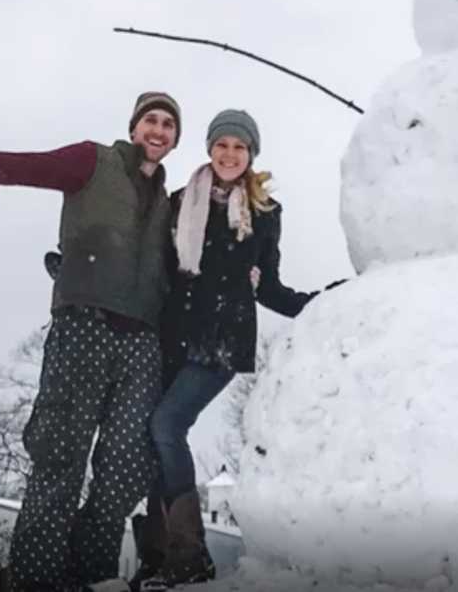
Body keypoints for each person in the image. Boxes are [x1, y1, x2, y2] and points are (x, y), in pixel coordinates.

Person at [0, 93, 182, 591]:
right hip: (83, 328)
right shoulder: (92, 161)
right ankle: (36, 579)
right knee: (59, 460)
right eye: (151, 120)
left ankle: (91, 575)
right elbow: (17, 167)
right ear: (134, 127)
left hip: (141, 342)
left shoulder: (170, 202)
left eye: (168, 124)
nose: (158, 130)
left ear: (175, 139)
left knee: (126, 468)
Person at [135, 109, 324, 591]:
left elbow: (269, 286)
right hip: (173, 334)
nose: (230, 154)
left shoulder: (265, 213)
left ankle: (190, 556)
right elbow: (156, 267)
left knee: (167, 425)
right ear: (210, 148)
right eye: (222, 144)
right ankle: (156, 560)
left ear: (251, 154)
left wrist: (320, 302)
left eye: (240, 147)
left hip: (222, 340)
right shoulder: (181, 202)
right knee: (154, 439)